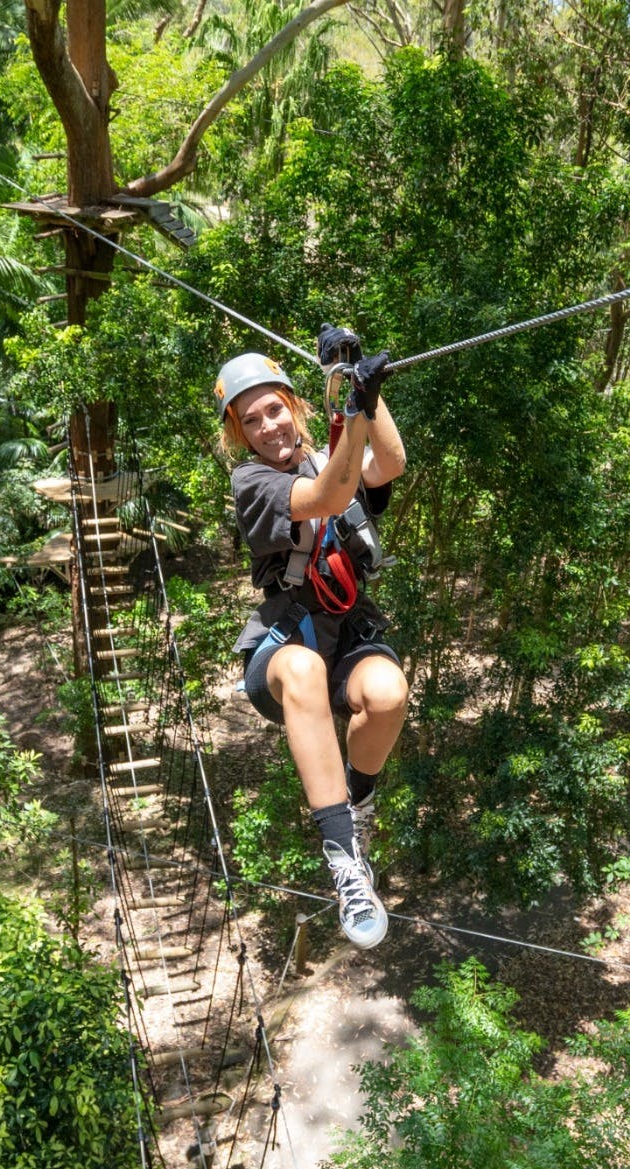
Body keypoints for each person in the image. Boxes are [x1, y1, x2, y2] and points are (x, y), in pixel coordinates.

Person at [216, 326, 408, 948]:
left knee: (387, 694)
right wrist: (352, 411)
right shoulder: (254, 484)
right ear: (239, 435)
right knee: (300, 670)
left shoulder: (332, 452)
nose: (268, 425)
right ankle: (345, 861)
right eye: (252, 421)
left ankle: (359, 801)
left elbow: (391, 463)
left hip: (346, 630)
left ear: (294, 405)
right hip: (284, 641)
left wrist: (366, 397)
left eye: (274, 408)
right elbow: (331, 495)